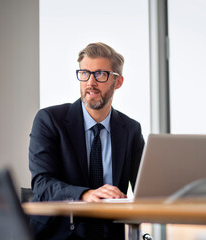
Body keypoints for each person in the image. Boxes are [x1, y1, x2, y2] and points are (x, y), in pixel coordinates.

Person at [28, 42, 145, 240]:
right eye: (84, 73)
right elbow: (42, 184)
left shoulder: (130, 130)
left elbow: (145, 188)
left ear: (118, 82)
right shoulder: (49, 120)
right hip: (58, 235)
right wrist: (85, 194)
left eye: (100, 74)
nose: (90, 82)